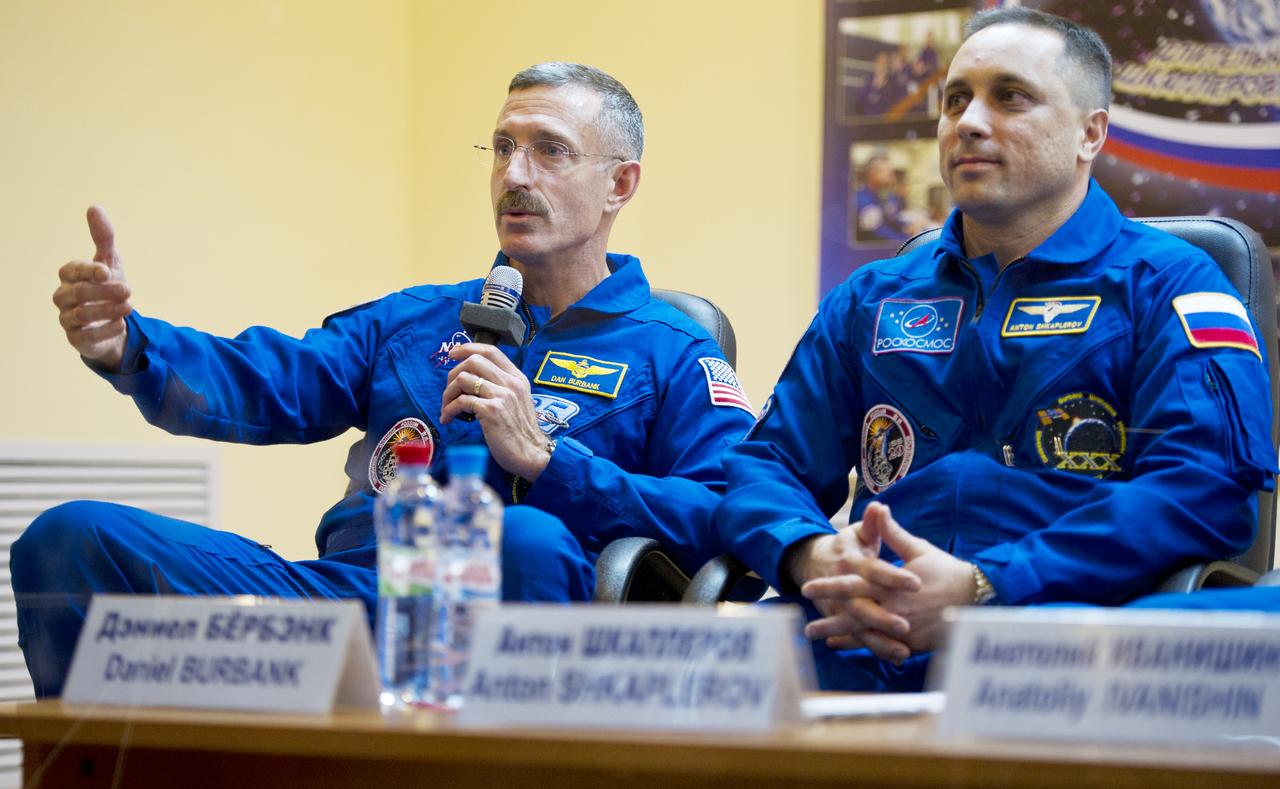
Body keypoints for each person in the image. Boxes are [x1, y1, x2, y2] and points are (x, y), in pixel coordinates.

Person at [15, 62, 755, 698]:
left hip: (521, 631)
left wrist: (553, 462)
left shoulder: (673, 352)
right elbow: (271, 379)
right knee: (70, 539)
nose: (515, 175)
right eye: (502, 148)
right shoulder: (416, 320)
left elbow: (728, 518)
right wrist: (128, 345)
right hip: (354, 603)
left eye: (549, 151)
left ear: (619, 183)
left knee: (520, 535)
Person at [715, 7, 1277, 692]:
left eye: (1010, 96)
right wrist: (812, 555)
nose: (969, 122)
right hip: (866, 627)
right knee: (689, 671)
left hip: (1057, 630)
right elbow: (764, 465)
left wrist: (987, 584)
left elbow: (1205, 487)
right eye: (955, 100)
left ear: (1089, 132)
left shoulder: (1168, 284)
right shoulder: (871, 298)